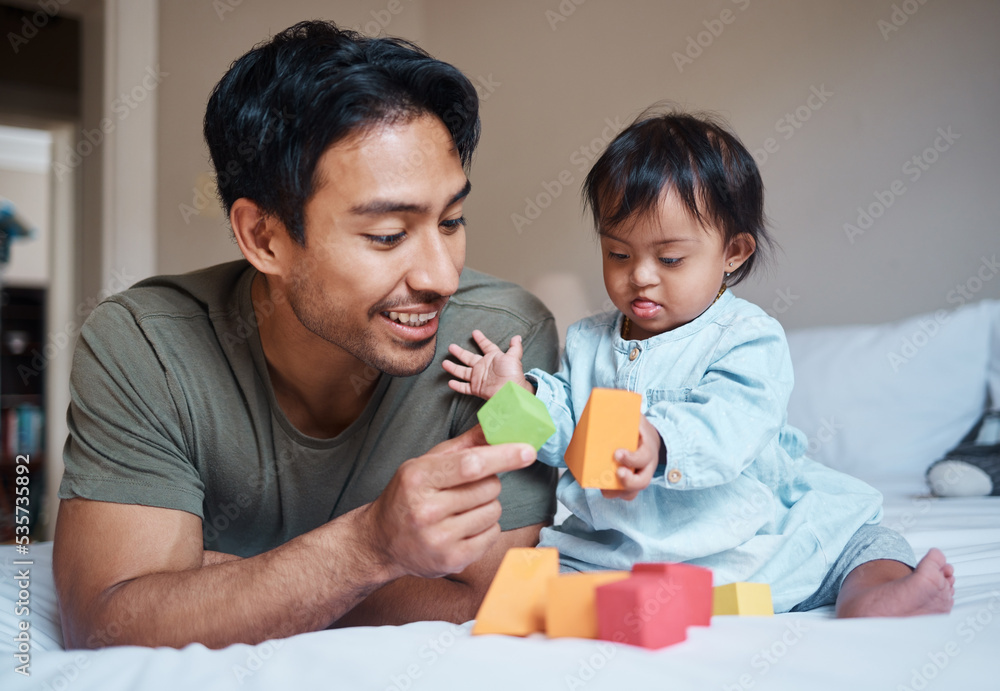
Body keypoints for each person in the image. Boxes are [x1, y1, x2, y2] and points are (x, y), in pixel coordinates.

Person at [52, 20, 560, 650]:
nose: (440, 276)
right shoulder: (144, 347)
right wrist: (371, 546)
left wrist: (222, 584)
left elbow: (490, 600)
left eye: (452, 220)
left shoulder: (502, 342)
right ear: (263, 238)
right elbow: (108, 621)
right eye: (387, 235)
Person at [444, 110, 956, 617]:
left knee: (861, 539)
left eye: (669, 260)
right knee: (534, 575)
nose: (641, 276)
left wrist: (660, 442)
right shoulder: (586, 342)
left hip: (745, 545)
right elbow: (565, 443)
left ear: (732, 252)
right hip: (618, 551)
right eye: (618, 254)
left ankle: (873, 595)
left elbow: (734, 422)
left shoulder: (746, 338)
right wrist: (517, 396)